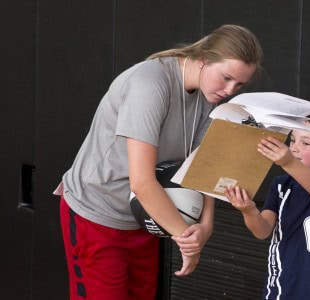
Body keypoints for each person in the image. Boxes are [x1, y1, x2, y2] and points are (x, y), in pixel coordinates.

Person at [55, 24, 263, 300]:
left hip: (147, 218)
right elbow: (141, 182)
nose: (229, 90)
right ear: (203, 58)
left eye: (239, 84)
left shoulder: (207, 98)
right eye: (226, 78)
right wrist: (187, 240)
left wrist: (206, 226)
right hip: (97, 214)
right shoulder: (149, 84)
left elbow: (201, 167)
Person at [224, 108, 310, 299]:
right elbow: (263, 230)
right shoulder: (280, 185)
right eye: (292, 140)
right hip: (278, 284)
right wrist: (249, 210)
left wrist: (288, 162)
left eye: (305, 142)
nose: (295, 148)